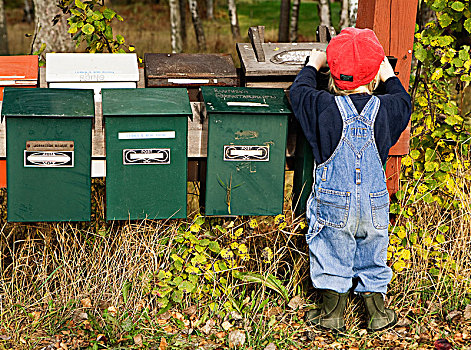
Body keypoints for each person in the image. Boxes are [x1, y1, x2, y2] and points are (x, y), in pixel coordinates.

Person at [289, 27, 411, 332]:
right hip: (374, 203)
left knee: (330, 251)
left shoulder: (323, 106)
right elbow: (403, 102)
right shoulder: (387, 108)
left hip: (334, 202)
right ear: (374, 75)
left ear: (333, 72)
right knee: (373, 254)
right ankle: (378, 313)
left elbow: (299, 93)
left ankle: (332, 314)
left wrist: (311, 65)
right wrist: (390, 76)